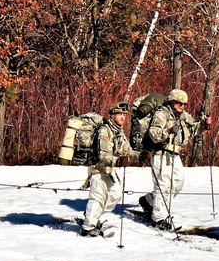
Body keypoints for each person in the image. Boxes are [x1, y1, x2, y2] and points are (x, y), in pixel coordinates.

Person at [138, 88, 211, 230]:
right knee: (164, 185)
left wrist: (204, 124)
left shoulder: (182, 116)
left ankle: (149, 201)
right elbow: (154, 134)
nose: (182, 106)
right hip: (161, 153)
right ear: (172, 102)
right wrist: (169, 131)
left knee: (178, 183)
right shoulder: (162, 114)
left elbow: (192, 130)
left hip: (175, 154)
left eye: (184, 104)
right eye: (179, 103)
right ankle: (159, 218)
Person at [80, 102, 136, 237]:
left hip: (110, 170)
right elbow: (102, 155)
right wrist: (119, 160)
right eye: (119, 114)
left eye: (124, 115)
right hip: (98, 169)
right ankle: (87, 228)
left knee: (115, 194)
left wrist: (142, 155)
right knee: (97, 197)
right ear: (112, 115)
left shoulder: (119, 132)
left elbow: (128, 151)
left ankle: (94, 217)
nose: (122, 117)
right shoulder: (104, 131)